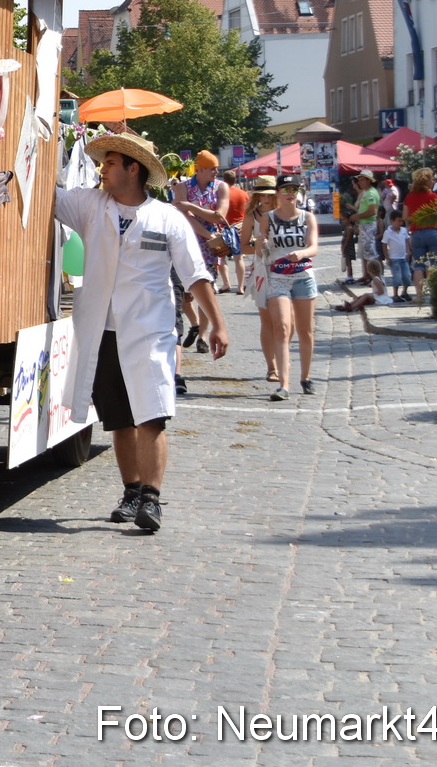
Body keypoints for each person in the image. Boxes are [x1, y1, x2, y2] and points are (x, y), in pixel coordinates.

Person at [55, 131, 227, 534]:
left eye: (111, 163)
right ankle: (131, 493)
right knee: (119, 420)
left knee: (152, 414)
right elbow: (48, 192)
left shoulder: (167, 218)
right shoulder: (88, 204)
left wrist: (217, 322)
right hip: (102, 329)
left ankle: (152, 498)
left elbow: (194, 274)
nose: (103, 170)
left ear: (133, 169)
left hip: (150, 329)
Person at [259, 173, 320, 399]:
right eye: (285, 190)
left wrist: (302, 253)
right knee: (282, 327)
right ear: (277, 194)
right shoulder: (268, 218)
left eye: (293, 190)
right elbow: (259, 249)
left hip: (303, 275)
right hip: (277, 276)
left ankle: (306, 377)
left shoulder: (307, 217)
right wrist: (261, 245)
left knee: (306, 330)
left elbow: (314, 247)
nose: (290, 194)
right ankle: (284, 384)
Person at [173, 151, 229, 342]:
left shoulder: (221, 187)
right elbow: (183, 216)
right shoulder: (182, 186)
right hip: (185, 243)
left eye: (216, 168)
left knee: (207, 289)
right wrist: (207, 232)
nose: (216, 171)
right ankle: (195, 324)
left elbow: (219, 216)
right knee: (183, 293)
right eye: (212, 168)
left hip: (210, 248)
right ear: (201, 169)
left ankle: (202, 336)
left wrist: (191, 206)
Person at [239, 175, 280, 384]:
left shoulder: (285, 213)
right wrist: (256, 247)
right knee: (267, 320)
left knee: (283, 321)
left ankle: (282, 362)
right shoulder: (252, 216)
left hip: (285, 268)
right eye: (261, 194)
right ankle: (271, 367)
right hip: (262, 270)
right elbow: (243, 246)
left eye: (269, 194)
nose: (265, 198)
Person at [403, 168, 437, 306]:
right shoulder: (433, 196)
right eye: (432, 179)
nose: (433, 181)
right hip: (433, 232)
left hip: (417, 233)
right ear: (427, 181)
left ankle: (419, 296)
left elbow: (405, 217)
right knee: (434, 264)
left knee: (418, 266)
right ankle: (434, 296)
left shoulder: (410, 197)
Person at [220, 169, 249, 294]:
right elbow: (249, 210)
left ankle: (226, 283)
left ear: (223, 180)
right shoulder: (243, 193)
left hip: (224, 228)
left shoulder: (221, 193)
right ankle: (241, 287)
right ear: (235, 180)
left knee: (221, 258)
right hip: (240, 227)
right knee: (239, 259)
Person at [349, 173, 380, 280]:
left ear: (369, 180)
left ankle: (376, 276)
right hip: (364, 224)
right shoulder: (366, 192)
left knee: (370, 251)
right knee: (367, 251)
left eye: (362, 180)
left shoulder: (371, 193)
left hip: (368, 223)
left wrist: (357, 216)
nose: (360, 182)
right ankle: (370, 275)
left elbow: (372, 211)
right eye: (359, 180)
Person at [382, 215, 412, 302]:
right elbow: (384, 245)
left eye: (401, 221)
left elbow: (406, 241)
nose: (400, 223)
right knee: (397, 277)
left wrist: (408, 251)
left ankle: (404, 292)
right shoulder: (388, 233)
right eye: (398, 221)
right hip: (394, 258)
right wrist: (387, 257)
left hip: (403, 257)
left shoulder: (403, 230)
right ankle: (395, 294)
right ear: (392, 221)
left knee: (407, 276)